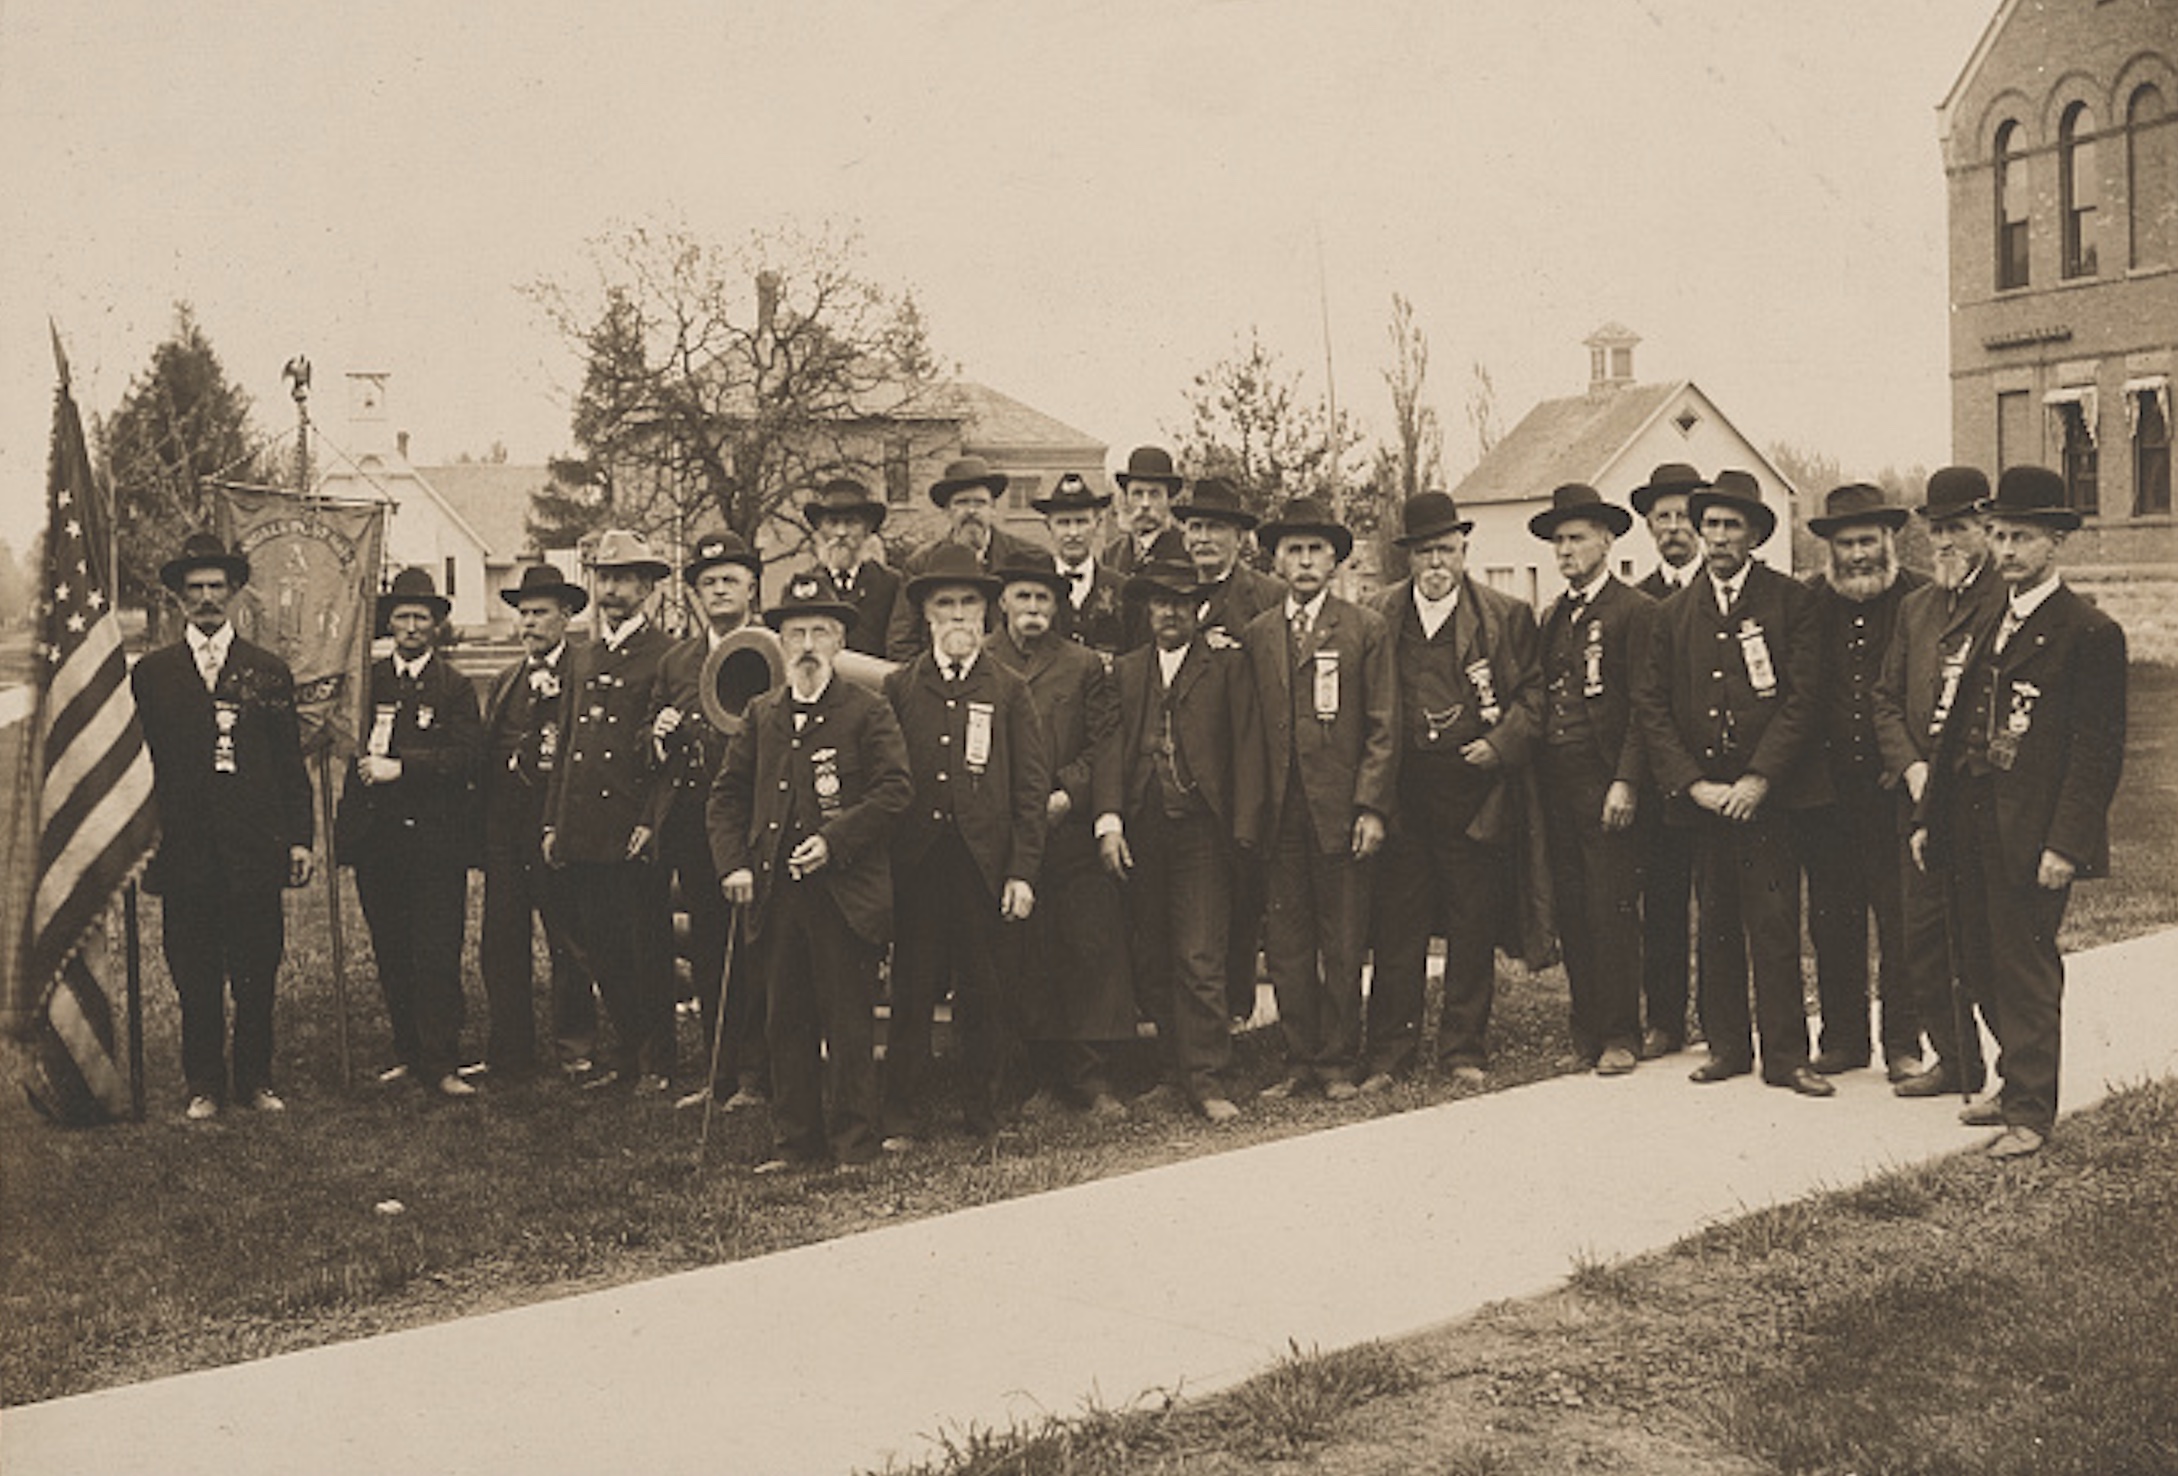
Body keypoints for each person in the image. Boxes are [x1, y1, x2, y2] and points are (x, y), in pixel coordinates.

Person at [1919, 466, 2126, 1158]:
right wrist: (1930, 819)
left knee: (2024, 964)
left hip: (2033, 829)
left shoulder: (2087, 631)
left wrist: (2065, 844)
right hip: (1970, 816)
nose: (2006, 550)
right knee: (1977, 958)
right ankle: (2012, 1081)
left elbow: (2096, 753)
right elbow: (1953, 730)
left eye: (2023, 537)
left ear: (2056, 542)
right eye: (2000, 535)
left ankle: (2033, 1113)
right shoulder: (1989, 619)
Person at [1633, 470, 1834, 1097]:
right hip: (1704, 804)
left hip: (1769, 802)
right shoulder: (1672, 614)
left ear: (1754, 536)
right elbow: (1654, 708)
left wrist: (1758, 779)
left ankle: (1786, 1057)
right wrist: (1692, 784)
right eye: (1710, 525)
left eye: (1731, 527)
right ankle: (1727, 1047)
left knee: (1773, 922)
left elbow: (1802, 701)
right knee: (1714, 922)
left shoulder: (1790, 601)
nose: (1717, 538)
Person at [710, 572, 913, 1171]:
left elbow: (895, 791)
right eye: (795, 632)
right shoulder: (761, 713)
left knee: (848, 1025)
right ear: (780, 643)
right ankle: (795, 1145)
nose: (805, 645)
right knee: (786, 1022)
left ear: (839, 642)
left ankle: (855, 1145)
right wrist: (735, 866)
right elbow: (726, 797)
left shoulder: (867, 711)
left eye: (819, 632)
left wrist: (834, 841)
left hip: (844, 896)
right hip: (776, 897)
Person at [130, 533, 314, 1120]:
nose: (207, 598)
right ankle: (204, 1083)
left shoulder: (267, 670)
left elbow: (290, 764)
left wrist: (300, 837)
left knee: (256, 971)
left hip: (253, 852)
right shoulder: (153, 675)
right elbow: (137, 768)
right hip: (184, 854)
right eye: (195, 589)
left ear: (234, 593)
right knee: (195, 974)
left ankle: (255, 1080)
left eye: (216, 587)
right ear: (179, 598)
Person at [1363, 491, 1539, 1089]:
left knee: (1471, 924)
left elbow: (1534, 696)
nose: (1436, 563)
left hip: (1473, 795)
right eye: (1424, 552)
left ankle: (1463, 1050)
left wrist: (1502, 745)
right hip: (1404, 795)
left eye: (1446, 549)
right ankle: (1390, 1055)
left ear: (1464, 550)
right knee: (1398, 928)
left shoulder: (1503, 615)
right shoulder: (1377, 615)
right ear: (1408, 558)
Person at [880, 542, 1051, 1144]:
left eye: (968, 604)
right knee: (912, 991)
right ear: (925, 614)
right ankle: (901, 1112)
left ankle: (983, 1111)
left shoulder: (1008, 688)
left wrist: (1022, 872)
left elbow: (1031, 789)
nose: (956, 617)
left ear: (988, 612)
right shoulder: (901, 687)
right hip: (919, 867)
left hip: (984, 868)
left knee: (985, 993)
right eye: (944, 604)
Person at [1243, 496, 1397, 1101]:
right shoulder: (1259, 633)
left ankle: (1338, 1058)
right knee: (1287, 942)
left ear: (1334, 560)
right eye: (1293, 550)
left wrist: (1371, 806)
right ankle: (1298, 1057)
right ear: (1277, 559)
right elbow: (1252, 728)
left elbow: (1384, 724)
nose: (1304, 561)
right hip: (1281, 812)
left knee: (1342, 938)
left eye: (1315, 551)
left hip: (1340, 810)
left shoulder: (1363, 629)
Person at [1104, 558, 1263, 1122]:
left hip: (1201, 826)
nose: (1169, 612)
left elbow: (1247, 746)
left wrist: (1245, 830)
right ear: (1147, 609)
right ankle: (1171, 1069)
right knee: (1152, 952)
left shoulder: (1225, 666)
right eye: (1159, 602)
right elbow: (1109, 752)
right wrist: (1111, 821)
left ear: (1198, 608)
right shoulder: (1126, 671)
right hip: (1142, 825)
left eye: (1180, 602)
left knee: (1199, 953)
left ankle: (1208, 1077)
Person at [1873, 467, 2003, 1097]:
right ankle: (1955, 1059)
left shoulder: (2005, 598)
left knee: (1987, 940)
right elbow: (1886, 700)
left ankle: (2018, 1067)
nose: (1944, 542)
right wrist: (1914, 768)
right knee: (1923, 936)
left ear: (1986, 529)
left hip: (1981, 802)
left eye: (1958, 529)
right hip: (1920, 799)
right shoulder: (1916, 607)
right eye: (1936, 530)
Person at [989, 555, 1133, 1116]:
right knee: (1027, 957)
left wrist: (1068, 794)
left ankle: (1091, 1078)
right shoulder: (983, 661)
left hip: (1068, 831)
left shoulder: (1082, 666)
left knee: (1087, 950)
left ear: (1058, 606)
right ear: (1003, 603)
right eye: (1022, 598)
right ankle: (1044, 1079)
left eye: (1042, 600)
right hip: (1007, 837)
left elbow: (1103, 742)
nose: (1032, 610)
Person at [335, 567, 483, 1100]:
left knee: (434, 951)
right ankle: (407, 1051)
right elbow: (342, 738)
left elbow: (467, 757)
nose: (412, 626)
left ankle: (442, 1061)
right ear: (389, 622)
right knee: (391, 949)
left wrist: (405, 767)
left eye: (422, 617)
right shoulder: (368, 681)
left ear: (437, 625)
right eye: (402, 616)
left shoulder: (455, 686)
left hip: (434, 843)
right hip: (379, 842)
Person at [1797, 484, 1928, 1083]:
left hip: (1894, 795)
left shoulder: (1920, 598)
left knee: (1901, 920)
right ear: (1829, 548)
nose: (1857, 554)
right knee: (1832, 919)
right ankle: (1844, 1039)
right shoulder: (1808, 603)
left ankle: (1903, 1043)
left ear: (1889, 540)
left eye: (1867, 541)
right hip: (1825, 796)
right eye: (1846, 543)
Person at [543, 529, 678, 1094]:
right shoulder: (584, 656)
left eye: (624, 579)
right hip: (584, 829)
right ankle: (625, 1055)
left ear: (647, 587)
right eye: (604, 577)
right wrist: (554, 821)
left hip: (631, 828)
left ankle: (657, 1061)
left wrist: (652, 820)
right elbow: (568, 740)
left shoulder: (667, 655)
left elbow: (671, 758)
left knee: (645, 947)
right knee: (601, 949)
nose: (612, 589)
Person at [1528, 484, 1655, 1076]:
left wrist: (1627, 781)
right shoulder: (1553, 615)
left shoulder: (1633, 612)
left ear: (1607, 540)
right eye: (1559, 540)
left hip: (1606, 783)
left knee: (1611, 910)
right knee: (1573, 909)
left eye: (1578, 537)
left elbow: (1644, 708)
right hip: (1558, 783)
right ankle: (1584, 1030)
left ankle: (1620, 1034)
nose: (1567, 550)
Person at [654, 532, 769, 1112]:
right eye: (708, 582)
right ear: (695, 594)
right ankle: (718, 1074)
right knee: (708, 948)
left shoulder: (772, 647)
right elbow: (649, 733)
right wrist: (658, 735)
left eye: (730, 578)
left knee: (758, 947)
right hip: (699, 822)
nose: (719, 589)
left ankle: (758, 1075)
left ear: (752, 586)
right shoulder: (677, 660)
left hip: (760, 820)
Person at [478, 565, 596, 1084]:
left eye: (540, 613)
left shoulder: (585, 672)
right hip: (506, 828)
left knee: (568, 937)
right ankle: (510, 1049)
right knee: (502, 938)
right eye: (523, 614)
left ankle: (576, 1045)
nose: (529, 624)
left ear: (565, 616)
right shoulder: (508, 679)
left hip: (557, 823)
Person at [1169, 474, 1281, 1021]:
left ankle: (1236, 1013)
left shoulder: (1266, 598)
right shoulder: (1162, 590)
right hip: (1179, 778)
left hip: (1241, 773)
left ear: (1240, 537)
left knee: (1241, 898)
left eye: (1216, 527)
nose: (1202, 538)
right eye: (1194, 527)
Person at [1628, 461, 1707, 1057]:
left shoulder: (1725, 589)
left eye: (1683, 517)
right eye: (1663, 519)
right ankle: (1665, 1019)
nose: (1674, 529)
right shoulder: (1639, 603)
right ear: (1649, 528)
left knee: (1722, 906)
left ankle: (1722, 1018)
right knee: (1662, 904)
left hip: (1717, 781)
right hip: (1661, 783)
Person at [885, 456, 1042, 663]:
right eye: (962, 503)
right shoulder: (921, 564)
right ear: (948, 511)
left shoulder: (1024, 557)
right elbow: (902, 642)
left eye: (980, 503)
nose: (971, 511)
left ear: (993, 508)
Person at [801, 478, 900, 660]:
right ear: (820, 530)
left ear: (867, 529)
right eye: (832, 523)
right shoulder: (805, 587)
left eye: (851, 522)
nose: (841, 533)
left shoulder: (891, 584)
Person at [1032, 472, 1128, 656]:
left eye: (1081, 521)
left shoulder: (1121, 588)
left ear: (1097, 524)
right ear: (1048, 526)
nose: (1073, 532)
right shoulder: (1035, 590)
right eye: (1063, 523)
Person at [1101, 444, 1190, 577]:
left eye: (1154, 494)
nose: (1145, 504)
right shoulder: (1111, 554)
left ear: (1169, 500)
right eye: (1138, 494)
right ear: (1126, 499)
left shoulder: (1187, 550)